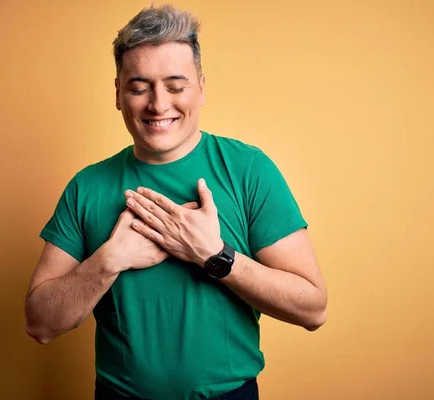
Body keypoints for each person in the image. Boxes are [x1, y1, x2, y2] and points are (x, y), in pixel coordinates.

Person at [24, 4, 327, 399]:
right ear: (117, 93)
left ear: (201, 88)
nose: (158, 104)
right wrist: (109, 259)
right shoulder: (87, 187)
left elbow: (312, 309)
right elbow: (40, 324)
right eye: (138, 87)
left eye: (176, 85)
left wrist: (214, 255)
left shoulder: (249, 170)